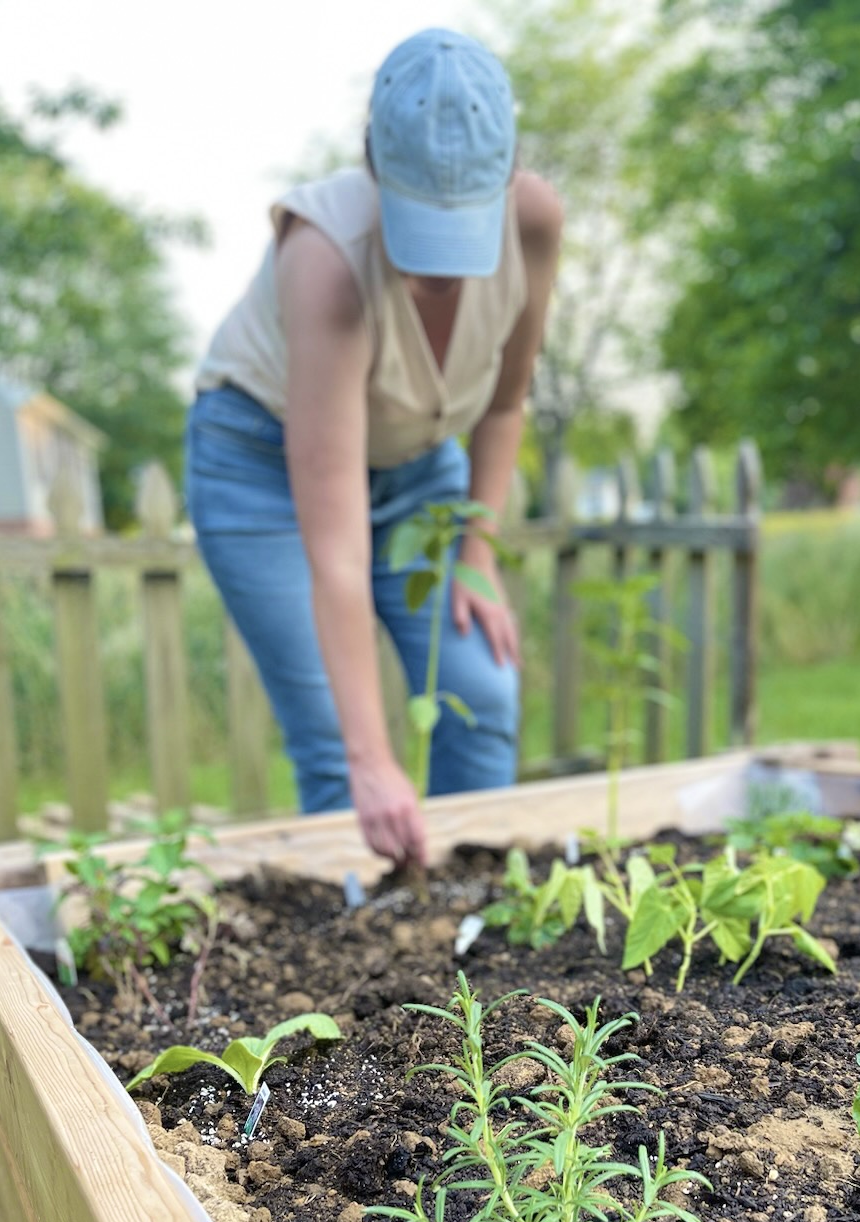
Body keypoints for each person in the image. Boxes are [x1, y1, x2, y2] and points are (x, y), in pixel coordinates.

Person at [184, 28, 562, 867]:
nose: (441, 276)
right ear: (375, 171)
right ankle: (368, 953)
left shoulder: (533, 221)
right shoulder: (325, 256)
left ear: (506, 179)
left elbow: (503, 404)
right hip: (262, 469)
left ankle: (478, 929)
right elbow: (340, 558)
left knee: (481, 689)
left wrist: (477, 551)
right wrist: (373, 757)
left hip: (422, 470)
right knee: (333, 742)